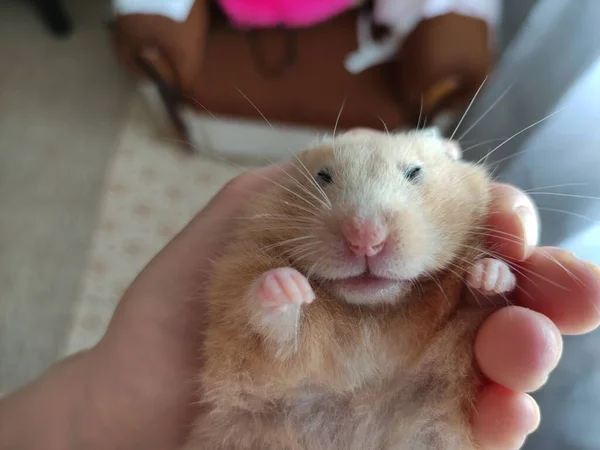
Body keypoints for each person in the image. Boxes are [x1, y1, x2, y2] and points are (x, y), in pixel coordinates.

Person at [0, 164, 599, 450]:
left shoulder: (464, 232)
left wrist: (486, 285)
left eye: (414, 175)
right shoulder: (265, 243)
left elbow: (458, 337)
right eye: (325, 180)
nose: (366, 233)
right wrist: (275, 310)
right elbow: (248, 366)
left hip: (411, 424)